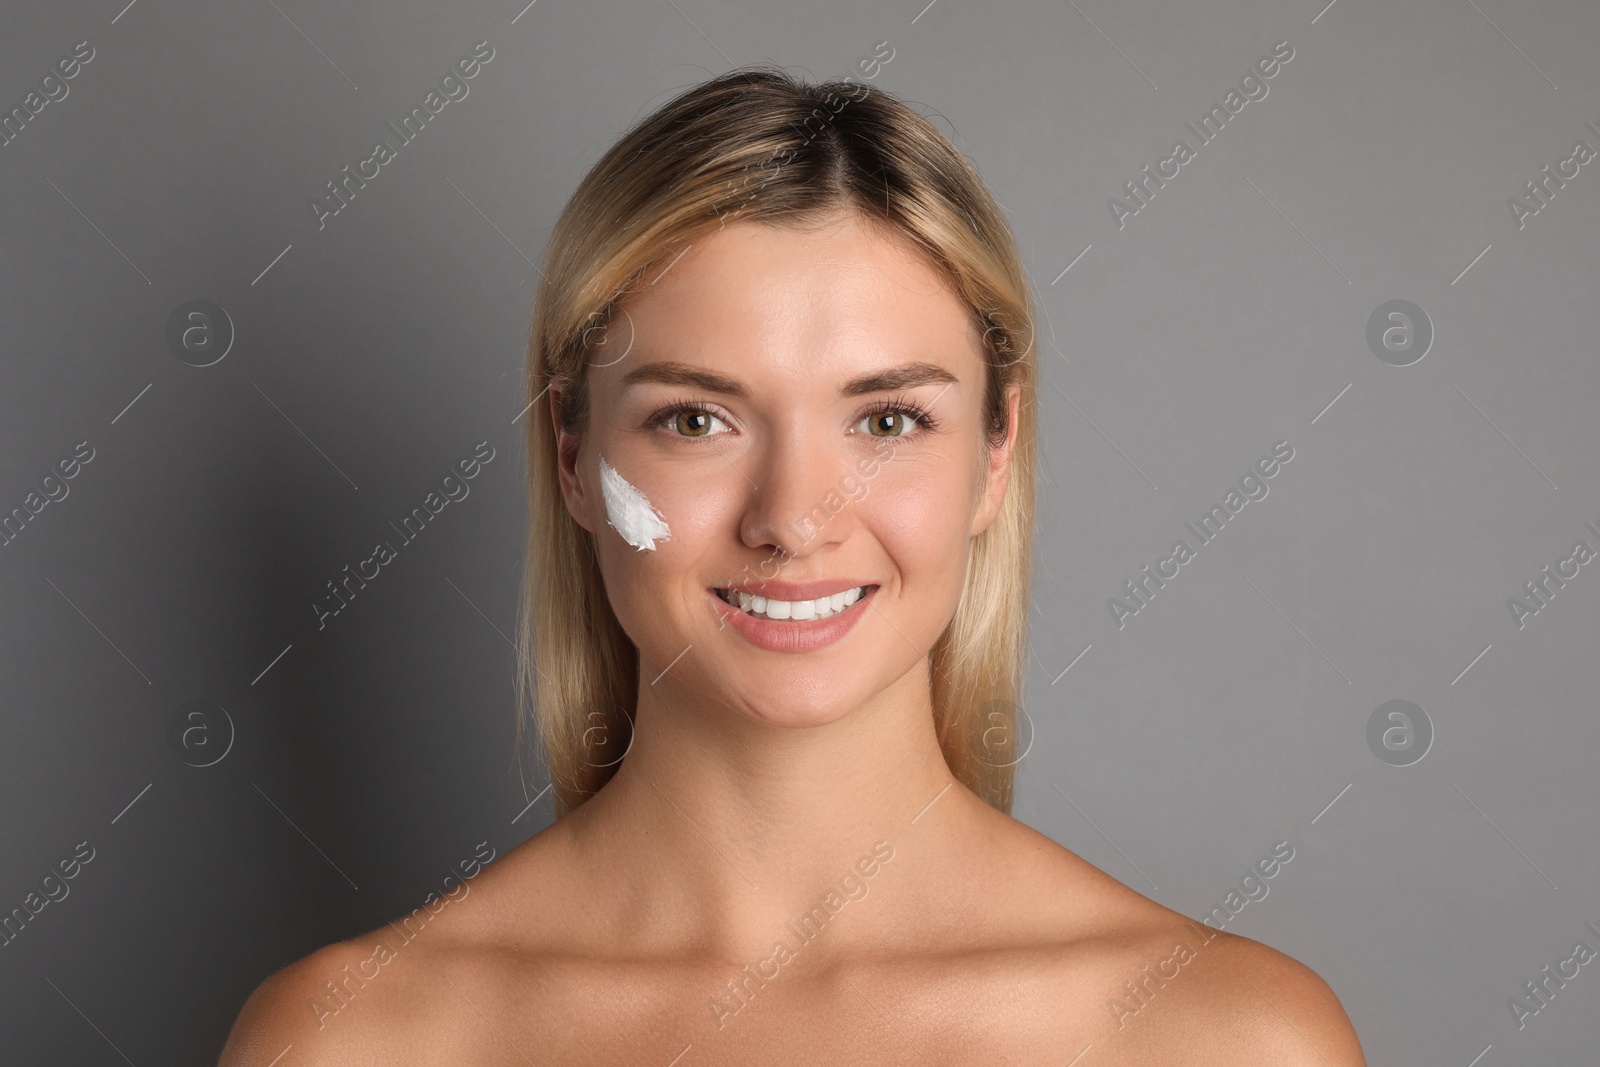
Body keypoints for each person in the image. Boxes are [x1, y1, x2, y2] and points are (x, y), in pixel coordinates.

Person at [219, 66, 1365, 1064]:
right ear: (572, 453)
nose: (793, 520)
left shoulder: (1231, 1038)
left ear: (995, 450)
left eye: (887, 421)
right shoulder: (350, 1039)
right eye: (695, 420)